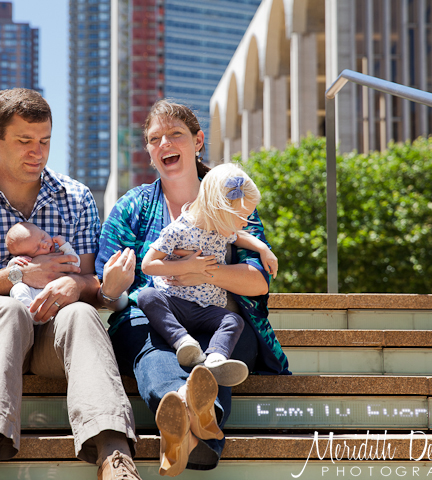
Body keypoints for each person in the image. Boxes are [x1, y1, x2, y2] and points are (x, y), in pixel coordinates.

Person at [0, 88, 141, 480]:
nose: (36, 152)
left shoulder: (76, 197)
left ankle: (115, 457)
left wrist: (77, 286)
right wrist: (16, 276)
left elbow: (93, 283)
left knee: (81, 313)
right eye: (24, 141)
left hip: (52, 341)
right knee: (4, 308)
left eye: (44, 142)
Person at [95, 99, 290, 477]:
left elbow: (255, 282)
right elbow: (108, 290)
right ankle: (201, 422)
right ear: (150, 151)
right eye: (155, 138)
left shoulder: (231, 198)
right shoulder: (131, 207)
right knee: (154, 347)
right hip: (154, 321)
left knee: (218, 356)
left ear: (198, 141)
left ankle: (182, 422)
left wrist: (201, 272)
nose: (165, 143)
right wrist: (112, 289)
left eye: (175, 134)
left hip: (223, 320)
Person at [139, 163, 273, 388]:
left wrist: (263, 248)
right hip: (174, 304)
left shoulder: (222, 230)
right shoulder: (178, 230)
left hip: (205, 310)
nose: (245, 223)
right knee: (147, 296)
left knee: (233, 320)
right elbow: (148, 265)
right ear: (218, 209)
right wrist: (188, 266)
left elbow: (240, 236)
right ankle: (182, 341)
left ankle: (216, 358)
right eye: (242, 216)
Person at [6, 221, 81, 309]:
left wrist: (65, 246)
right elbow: (10, 272)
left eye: (43, 236)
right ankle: (28, 310)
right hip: (33, 294)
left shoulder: (59, 252)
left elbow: (75, 263)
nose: (45, 244)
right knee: (17, 288)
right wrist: (15, 261)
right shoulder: (26, 260)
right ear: (26, 255)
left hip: (54, 293)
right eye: (37, 248)